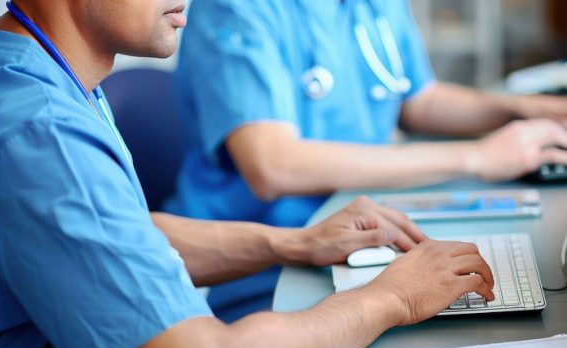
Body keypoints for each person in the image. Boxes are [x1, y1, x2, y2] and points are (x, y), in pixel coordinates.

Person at [0, 1, 497, 348]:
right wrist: (393, 298)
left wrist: (293, 243)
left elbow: (119, 234)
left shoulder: (43, 78)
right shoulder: (41, 131)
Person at [166, 0, 567, 319]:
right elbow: (272, 165)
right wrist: (477, 156)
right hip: (267, 266)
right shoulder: (235, 9)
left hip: (363, 229)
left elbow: (415, 99)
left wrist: (521, 108)